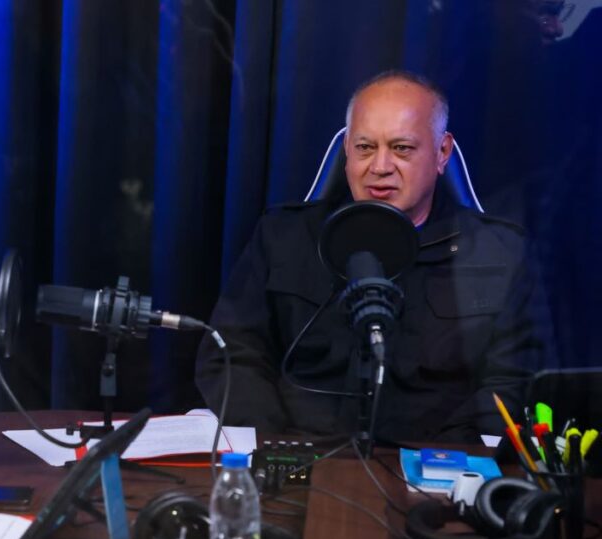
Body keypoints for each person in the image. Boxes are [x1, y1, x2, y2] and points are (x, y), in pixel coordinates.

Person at [196, 71, 547, 443]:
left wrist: (438, 464)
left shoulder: (500, 253)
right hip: (297, 456)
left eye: (401, 148)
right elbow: (230, 352)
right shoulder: (283, 237)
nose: (380, 167)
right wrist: (276, 446)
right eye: (365, 147)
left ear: (442, 152)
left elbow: (512, 381)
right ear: (347, 149)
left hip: (434, 471)